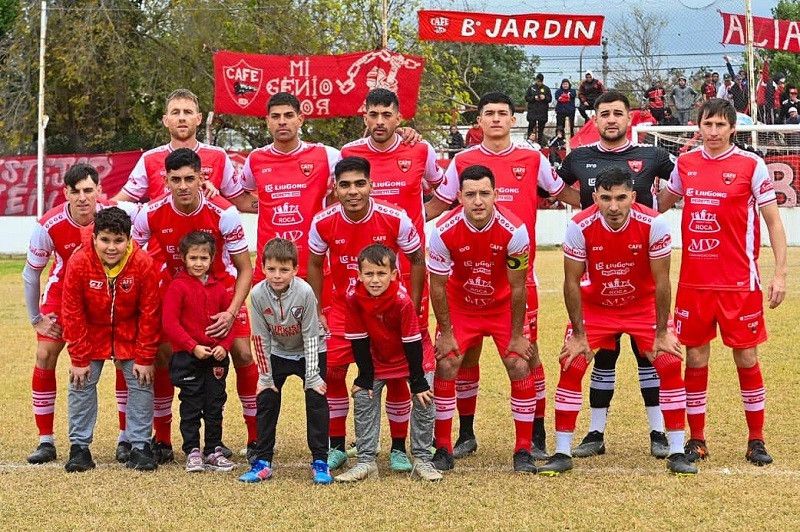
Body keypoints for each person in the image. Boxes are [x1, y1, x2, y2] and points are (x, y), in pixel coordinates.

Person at [425, 91, 578, 463]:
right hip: (467, 279)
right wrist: (394, 222)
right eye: (489, 113)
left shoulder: (532, 157)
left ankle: (534, 435)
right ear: (479, 121)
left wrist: (609, 205)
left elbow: (563, 193)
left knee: (527, 354)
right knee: (462, 357)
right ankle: (463, 434)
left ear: (513, 119)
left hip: (516, 276)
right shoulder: (462, 161)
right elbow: (439, 205)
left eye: (502, 113)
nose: (495, 118)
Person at [538, 167, 695, 476]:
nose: (613, 206)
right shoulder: (578, 226)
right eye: (606, 198)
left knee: (668, 362)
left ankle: (677, 450)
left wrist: (662, 332)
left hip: (642, 306)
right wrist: (579, 334)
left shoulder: (654, 223)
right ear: (595, 197)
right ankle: (562, 451)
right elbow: (571, 282)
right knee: (572, 363)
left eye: (621, 198)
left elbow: (662, 281)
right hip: (596, 307)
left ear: (633, 197)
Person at [658, 98, 787, 466]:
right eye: (707, 124)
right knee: (696, 357)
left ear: (732, 128)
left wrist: (780, 273)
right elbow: (659, 204)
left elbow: (773, 222)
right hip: (694, 283)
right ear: (698, 126)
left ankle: (756, 440)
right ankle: (696, 439)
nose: (713, 131)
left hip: (739, 283)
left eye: (720, 125)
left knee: (746, 356)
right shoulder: (685, 164)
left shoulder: (751, 165)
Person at [556, 90, 676, 460]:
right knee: (602, 359)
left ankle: (659, 432)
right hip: (599, 276)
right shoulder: (579, 157)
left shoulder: (652, 155)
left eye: (618, 113)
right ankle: (595, 432)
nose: (611, 119)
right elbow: (555, 186)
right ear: (595, 119)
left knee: (650, 357)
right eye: (604, 113)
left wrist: (658, 208)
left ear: (628, 118)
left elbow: (683, 181)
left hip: (639, 268)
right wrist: (587, 210)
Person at [340, 88, 443, 471]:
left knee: (408, 356)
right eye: (374, 114)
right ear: (364, 116)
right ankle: (363, 444)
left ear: (400, 117)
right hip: (364, 276)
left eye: (387, 114)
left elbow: (443, 192)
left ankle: (402, 447)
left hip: (407, 275)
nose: (380, 121)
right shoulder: (349, 152)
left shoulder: (421, 149)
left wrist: (418, 219)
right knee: (366, 356)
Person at [133, 147, 257, 464]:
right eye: (176, 180)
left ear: (202, 178)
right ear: (165, 181)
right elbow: (132, 257)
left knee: (243, 353)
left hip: (220, 293)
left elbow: (245, 269)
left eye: (190, 178)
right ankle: (162, 440)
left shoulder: (225, 213)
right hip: (177, 293)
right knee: (162, 354)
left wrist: (231, 312)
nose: (183, 186)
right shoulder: (150, 213)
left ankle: (255, 438)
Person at [306, 156, 425, 471]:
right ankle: (336, 445)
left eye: (360, 184)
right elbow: (314, 264)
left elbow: (417, 259)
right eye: (345, 185)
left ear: (371, 185)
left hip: (387, 311)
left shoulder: (396, 218)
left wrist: (412, 305)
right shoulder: (322, 221)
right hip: (344, 310)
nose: (353, 191)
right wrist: (317, 309)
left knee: (396, 377)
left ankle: (398, 448)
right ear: (335, 188)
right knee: (333, 372)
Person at [23, 164, 139, 465]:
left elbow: (150, 214)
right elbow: (31, 274)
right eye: (76, 191)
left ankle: (126, 438)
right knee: (45, 354)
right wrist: (36, 318)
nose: (83, 197)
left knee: (123, 356)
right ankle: (46, 441)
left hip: (109, 293)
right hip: (65, 293)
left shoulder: (120, 214)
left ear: (99, 191)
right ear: (66, 193)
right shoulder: (48, 224)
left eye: (89, 190)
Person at [427, 164, 537, 473]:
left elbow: (518, 286)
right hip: (461, 307)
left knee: (518, 363)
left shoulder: (515, 230)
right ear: (459, 196)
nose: (478, 201)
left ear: (496, 195)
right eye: (471, 194)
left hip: (501, 307)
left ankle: (523, 449)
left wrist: (517, 335)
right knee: (447, 362)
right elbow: (437, 286)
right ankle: (443, 447)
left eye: (485, 193)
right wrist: (446, 332)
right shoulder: (442, 230)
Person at [61, 207, 160, 472]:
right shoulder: (79, 261)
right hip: (91, 335)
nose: (112, 247)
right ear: (94, 238)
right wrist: (79, 358)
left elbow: (150, 313)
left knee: (142, 380)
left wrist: (145, 357)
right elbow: (72, 311)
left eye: (118, 240)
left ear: (129, 240)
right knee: (80, 382)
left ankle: (140, 446)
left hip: (130, 334)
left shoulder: (143, 263)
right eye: (105, 240)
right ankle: (79, 448)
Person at [335, 244, 441, 482]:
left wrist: (418, 381)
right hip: (378, 357)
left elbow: (412, 342)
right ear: (359, 275)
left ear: (393, 274)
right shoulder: (353, 299)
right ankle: (366, 461)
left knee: (424, 397)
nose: (375, 280)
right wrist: (365, 376)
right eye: (369, 274)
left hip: (412, 356)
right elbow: (359, 340)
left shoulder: (402, 300)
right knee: (363, 395)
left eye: (381, 273)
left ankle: (422, 459)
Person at [239, 238, 331, 485]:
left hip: (310, 350)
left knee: (316, 398)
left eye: (284, 269)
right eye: (271, 269)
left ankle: (320, 461)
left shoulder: (305, 292)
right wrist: (265, 377)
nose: (277, 275)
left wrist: (313, 376)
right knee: (266, 398)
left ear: (295, 269)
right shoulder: (258, 294)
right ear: (262, 268)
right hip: (278, 351)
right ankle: (262, 461)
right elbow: (260, 337)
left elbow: (311, 334)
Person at [240, 92, 341, 285]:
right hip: (270, 268)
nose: (282, 122)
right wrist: (266, 206)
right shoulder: (255, 159)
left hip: (313, 267)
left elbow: (359, 176)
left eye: (288, 115)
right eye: (276, 116)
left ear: (300, 119)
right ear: (267, 121)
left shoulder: (326, 155)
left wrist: (399, 136)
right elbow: (240, 197)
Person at [161, 231, 236, 473]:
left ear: (212, 259)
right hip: (188, 357)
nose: (198, 263)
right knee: (191, 405)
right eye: (193, 258)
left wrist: (224, 346)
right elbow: (170, 323)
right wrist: (192, 346)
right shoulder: (177, 287)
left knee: (215, 405)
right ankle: (192, 450)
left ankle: (213, 450)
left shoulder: (220, 289)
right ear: (183, 258)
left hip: (215, 358)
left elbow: (229, 324)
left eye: (203, 258)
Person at [112, 88, 256, 212]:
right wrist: (100, 206)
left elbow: (242, 201)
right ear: (166, 120)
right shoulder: (149, 159)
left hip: (206, 236)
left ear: (198, 118)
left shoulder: (218, 156)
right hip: (163, 235)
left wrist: (271, 199)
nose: (181, 118)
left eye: (187, 112)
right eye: (175, 112)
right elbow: (122, 200)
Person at [525, 73, 552, 143]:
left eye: (540, 81)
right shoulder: (531, 88)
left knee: (541, 129)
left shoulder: (546, 88)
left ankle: (540, 143)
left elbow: (550, 99)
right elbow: (526, 98)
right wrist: (534, 98)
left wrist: (545, 97)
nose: (539, 82)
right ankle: (529, 142)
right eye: (538, 81)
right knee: (531, 126)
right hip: (533, 111)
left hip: (542, 111)